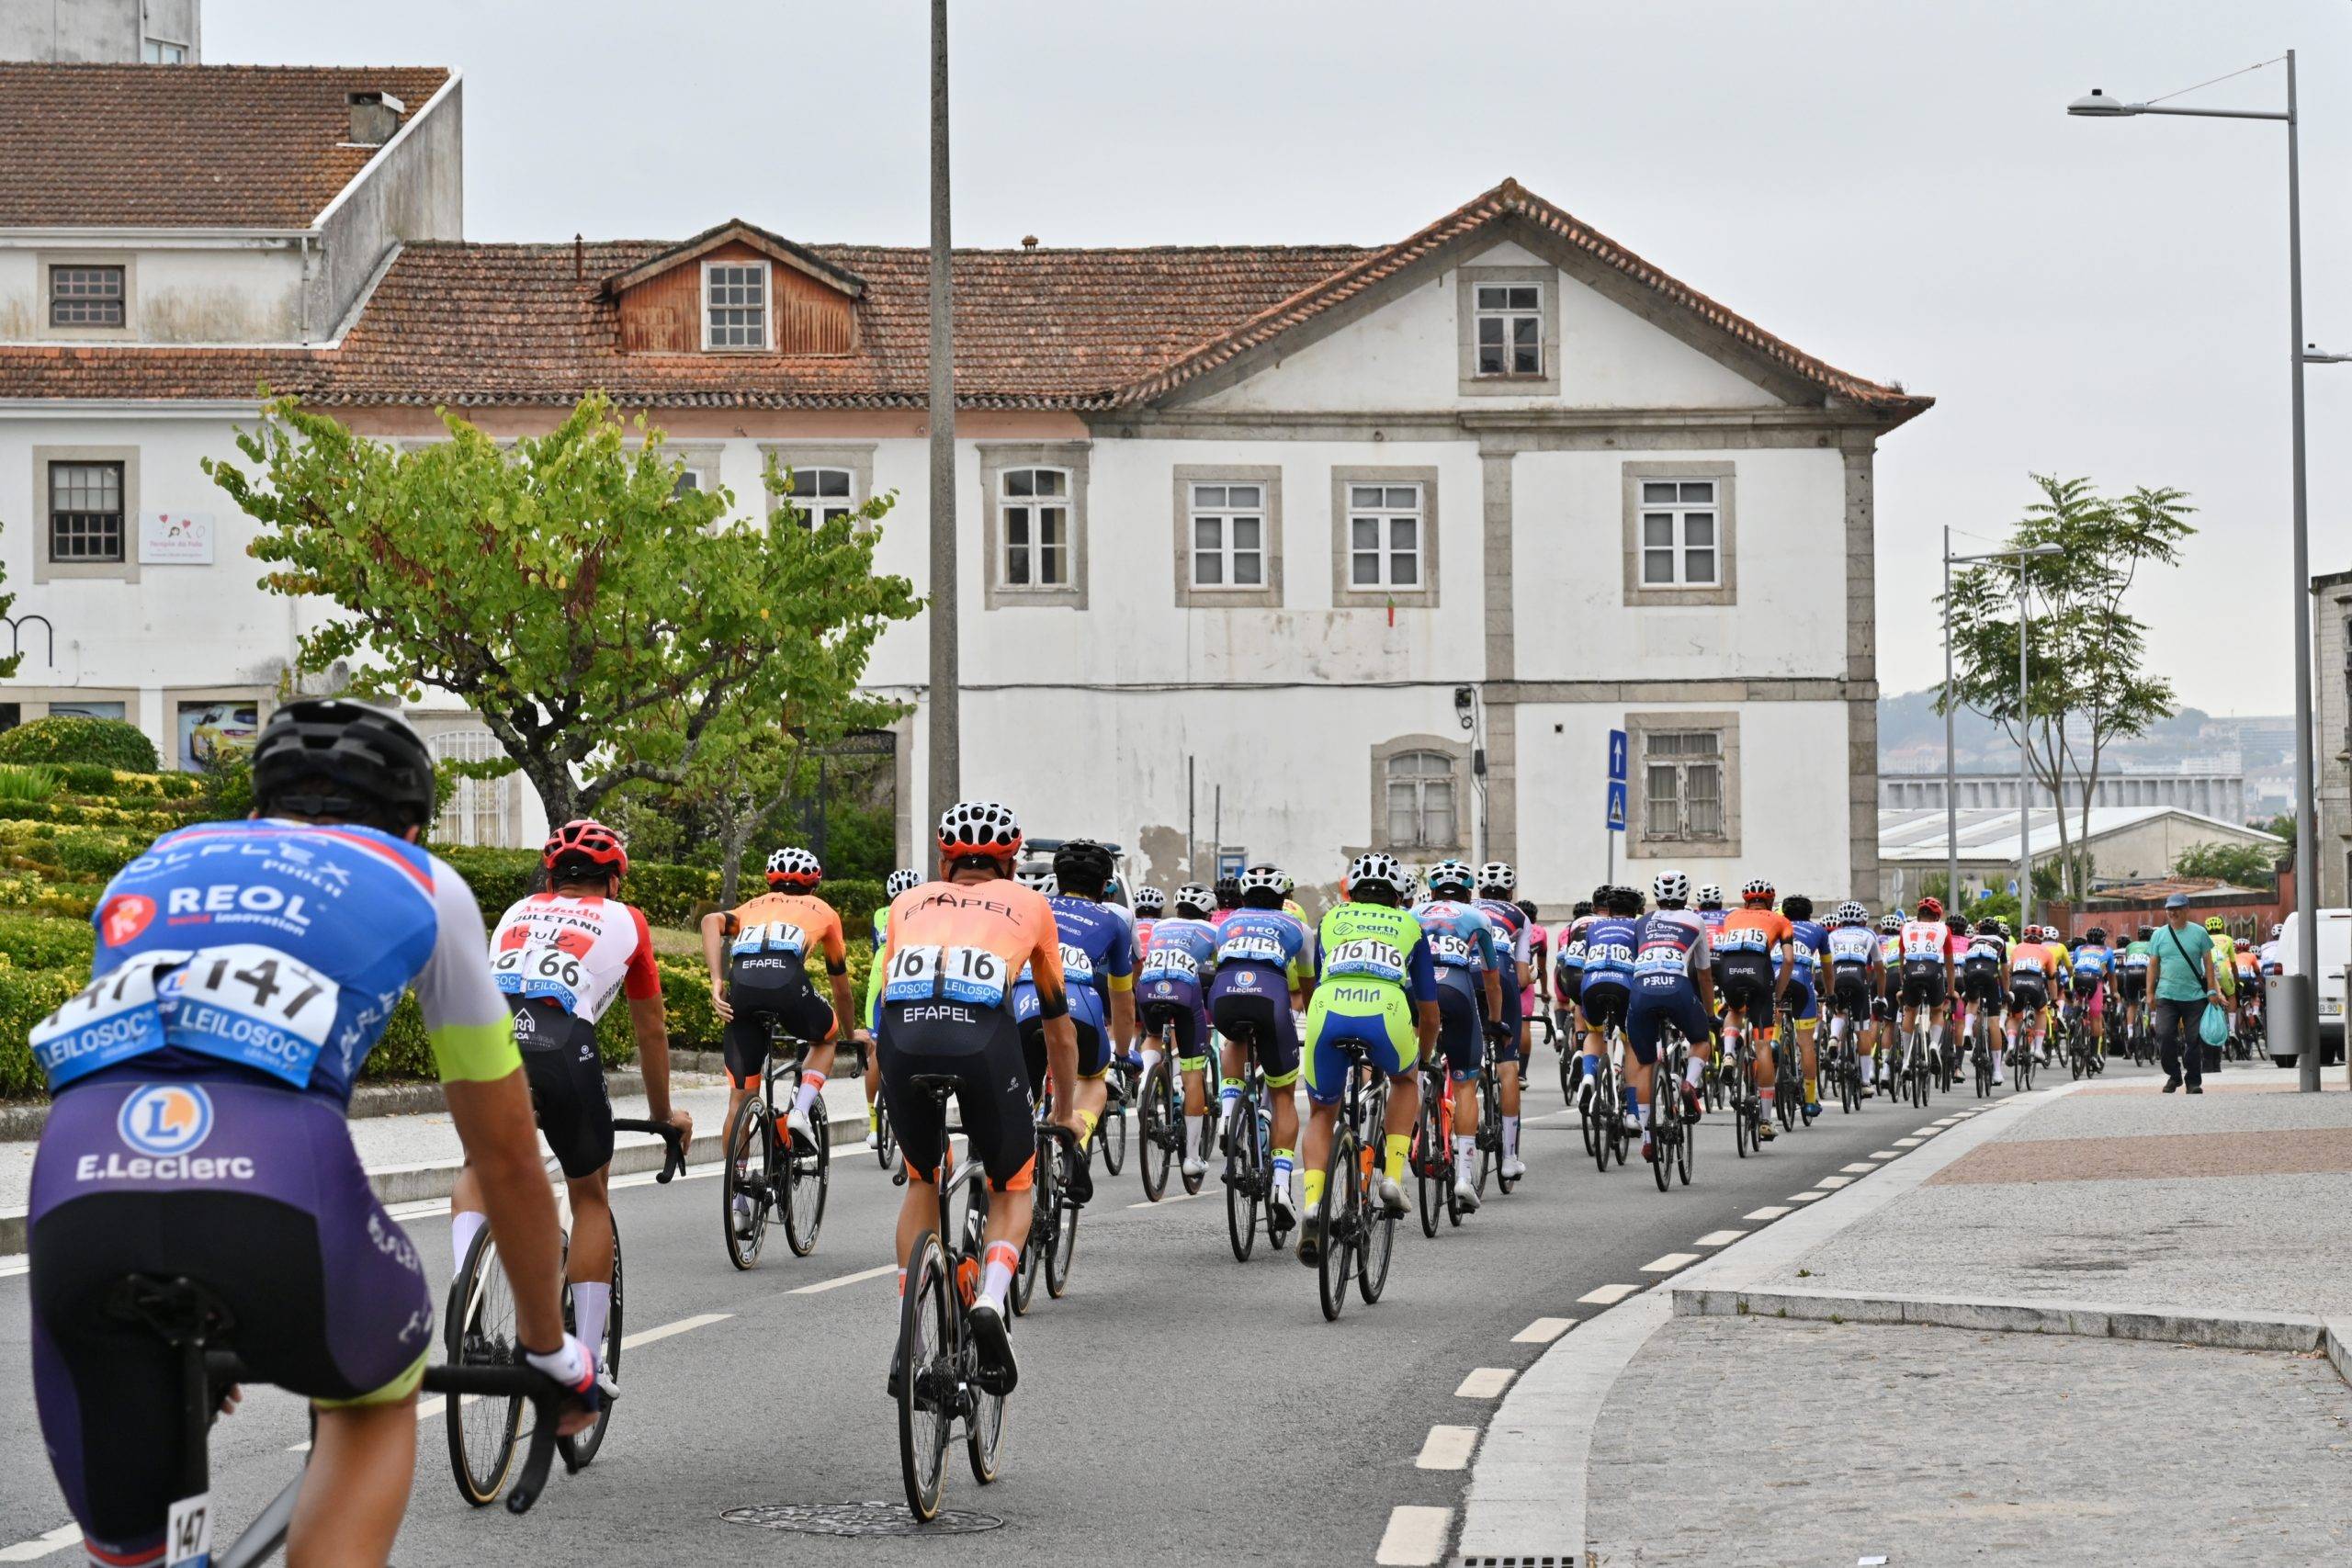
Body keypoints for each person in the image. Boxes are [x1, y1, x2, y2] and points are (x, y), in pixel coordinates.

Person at [27, 698, 587, 1568]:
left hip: (77, 1194)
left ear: (257, 808)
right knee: (376, 1390)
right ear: (411, 826)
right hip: (274, 1192)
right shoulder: (421, 878)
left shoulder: (155, 862)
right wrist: (549, 1350)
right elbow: (506, 1155)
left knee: (134, 1551)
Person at [455, 818, 691, 1398]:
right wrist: (664, 1116)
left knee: (479, 1165)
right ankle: (584, 1364)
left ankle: (467, 1306)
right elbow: (651, 1029)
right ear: (613, 882)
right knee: (589, 1197)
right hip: (560, 1048)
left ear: (550, 878)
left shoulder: (516, 911)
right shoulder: (627, 920)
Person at [878, 801, 1078, 1394]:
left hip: (903, 1039)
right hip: (982, 1040)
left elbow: (886, 995)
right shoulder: (1031, 904)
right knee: (1012, 1182)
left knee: (923, 1178)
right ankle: (990, 1296)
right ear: (1010, 865)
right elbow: (1058, 1026)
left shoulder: (907, 902)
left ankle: (911, 1339)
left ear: (944, 863)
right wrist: (1065, 1111)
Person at [699, 847, 865, 1203]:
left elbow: (710, 921)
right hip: (788, 986)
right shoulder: (824, 911)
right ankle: (801, 1110)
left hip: (741, 992)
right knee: (826, 1038)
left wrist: (716, 980)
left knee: (740, 1100)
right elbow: (841, 988)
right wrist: (851, 1034)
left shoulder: (751, 907)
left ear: (770, 882)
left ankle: (738, 1200)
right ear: (813, 885)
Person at [1297, 852, 1435, 1255]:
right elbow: (1429, 1010)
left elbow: (1315, 977)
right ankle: (1392, 1177)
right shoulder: (1410, 925)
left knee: (1322, 1112)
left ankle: (1312, 1202)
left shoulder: (1330, 919)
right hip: (1385, 1012)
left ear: (1352, 893)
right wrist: (1424, 1057)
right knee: (1405, 1081)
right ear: (1398, 896)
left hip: (1328, 1008)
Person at [1015, 838, 1136, 1203]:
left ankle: (1018, 1156)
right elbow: (1122, 998)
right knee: (1094, 1079)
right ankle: (1074, 1145)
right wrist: (1123, 1053)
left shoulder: (1030, 908)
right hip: (1078, 1004)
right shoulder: (1115, 921)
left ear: (1057, 878)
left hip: (1023, 1001)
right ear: (1104, 886)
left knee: (1020, 1091)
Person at [1206, 864, 1317, 1224]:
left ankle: (1227, 1114)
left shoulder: (1226, 923)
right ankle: (1281, 1185)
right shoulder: (1298, 927)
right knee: (1283, 1096)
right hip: (1270, 996)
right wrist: (1314, 1022)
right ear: (1285, 898)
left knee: (1234, 1037)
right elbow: (1307, 984)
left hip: (1225, 996)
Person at [1417, 861, 1508, 1213]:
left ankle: (1410, 1139)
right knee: (1465, 1081)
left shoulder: (1412, 914)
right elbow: (1491, 981)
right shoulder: (1477, 917)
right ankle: (1465, 1178)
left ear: (1432, 890)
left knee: (1410, 1070)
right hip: (1456, 989)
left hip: (1416, 992)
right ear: (1469, 892)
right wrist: (1495, 1021)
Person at [1625, 871, 1718, 1164]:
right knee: (1701, 1040)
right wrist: (1710, 1014)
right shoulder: (1695, 921)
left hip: (1642, 990)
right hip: (1677, 988)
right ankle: (1689, 1083)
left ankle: (1647, 1139)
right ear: (1685, 894)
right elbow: (1704, 975)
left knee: (1645, 1064)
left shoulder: (1641, 922)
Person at [1139, 883, 1222, 1175]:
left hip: (1148, 985)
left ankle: (1146, 1080)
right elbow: (1219, 971)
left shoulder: (1161, 927)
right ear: (1209, 911)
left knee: (1152, 1035)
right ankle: (1192, 1158)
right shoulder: (1213, 931)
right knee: (1192, 1072)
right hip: (1184, 988)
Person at [1716, 878, 1794, 1139]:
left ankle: (1729, 1053)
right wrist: (1777, 995)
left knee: (1735, 1011)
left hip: (1729, 971)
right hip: (1759, 974)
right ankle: (1765, 1120)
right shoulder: (1780, 920)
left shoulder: (1731, 916)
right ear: (1770, 902)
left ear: (1746, 902)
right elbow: (1788, 959)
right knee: (1762, 1046)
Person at [1473, 862, 1532, 1179]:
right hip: (1502, 977)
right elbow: (1522, 978)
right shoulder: (1518, 915)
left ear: (1479, 890)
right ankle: (1509, 1158)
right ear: (1510, 892)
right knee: (1508, 1066)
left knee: (1463, 1060)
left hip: (1465, 976)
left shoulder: (1467, 909)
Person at [862, 868, 924, 1149]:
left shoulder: (879, 915)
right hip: (910, 974)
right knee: (913, 1044)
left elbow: (876, 947)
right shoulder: (924, 911)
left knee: (875, 1050)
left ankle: (874, 1127)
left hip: (880, 976)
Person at [2145, 893, 2221, 1094]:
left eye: (2177, 909)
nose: (2173, 912)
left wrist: (2212, 989)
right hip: (2166, 996)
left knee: (2193, 1040)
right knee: (2164, 1035)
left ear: (2187, 909)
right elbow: (2152, 965)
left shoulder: (2199, 933)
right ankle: (2174, 1075)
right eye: (2170, 909)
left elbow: (2208, 963)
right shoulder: (2159, 935)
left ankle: (2193, 1081)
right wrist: (2150, 993)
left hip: (2195, 996)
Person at [1780, 895, 1829, 1123]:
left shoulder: (1776, 924)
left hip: (1777, 978)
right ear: (1809, 915)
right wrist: (1830, 992)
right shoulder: (1818, 930)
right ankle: (1809, 1101)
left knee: (1774, 1016)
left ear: (1784, 914)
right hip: (1801, 981)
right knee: (1806, 1042)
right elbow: (1827, 967)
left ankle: (1775, 1041)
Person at [1823, 902, 1883, 1084]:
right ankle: (1865, 1082)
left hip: (1838, 974)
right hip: (1859, 976)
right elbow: (1880, 970)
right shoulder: (1869, 934)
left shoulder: (1832, 935)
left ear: (1841, 921)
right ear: (1863, 921)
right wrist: (1881, 997)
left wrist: (1829, 992)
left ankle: (1834, 1037)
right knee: (1862, 1031)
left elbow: (1826, 965)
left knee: (1839, 1012)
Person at [2071, 926, 2115, 1060]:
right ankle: (2094, 1055)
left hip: (2078, 978)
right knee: (2096, 1017)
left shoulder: (2079, 949)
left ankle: (2074, 1021)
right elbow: (2111, 976)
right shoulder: (2108, 951)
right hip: (2094, 980)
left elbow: (2075, 967)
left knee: (2078, 1000)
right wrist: (2114, 993)